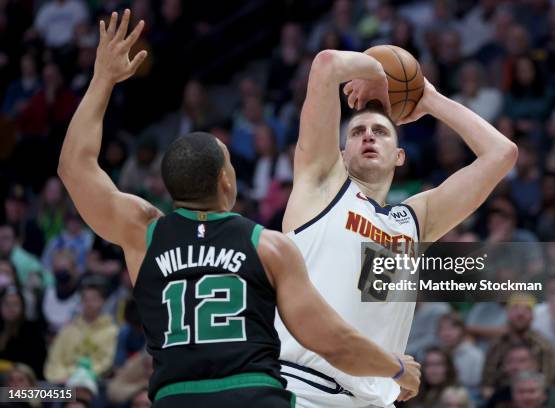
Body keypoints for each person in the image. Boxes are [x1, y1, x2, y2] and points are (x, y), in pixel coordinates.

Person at [57, 10, 420, 408]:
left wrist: (102, 78)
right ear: (225, 182)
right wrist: (396, 368)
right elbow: (330, 339)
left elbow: (74, 168)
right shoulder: (267, 247)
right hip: (254, 396)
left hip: (177, 397)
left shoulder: (143, 233)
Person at [275, 39, 517, 407]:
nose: (369, 135)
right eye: (357, 132)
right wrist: (376, 74)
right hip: (304, 389)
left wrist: (429, 98)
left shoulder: (412, 221)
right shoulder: (320, 187)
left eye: (381, 131)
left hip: (375, 398)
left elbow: (502, 153)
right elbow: (325, 64)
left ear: (399, 156)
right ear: (341, 154)